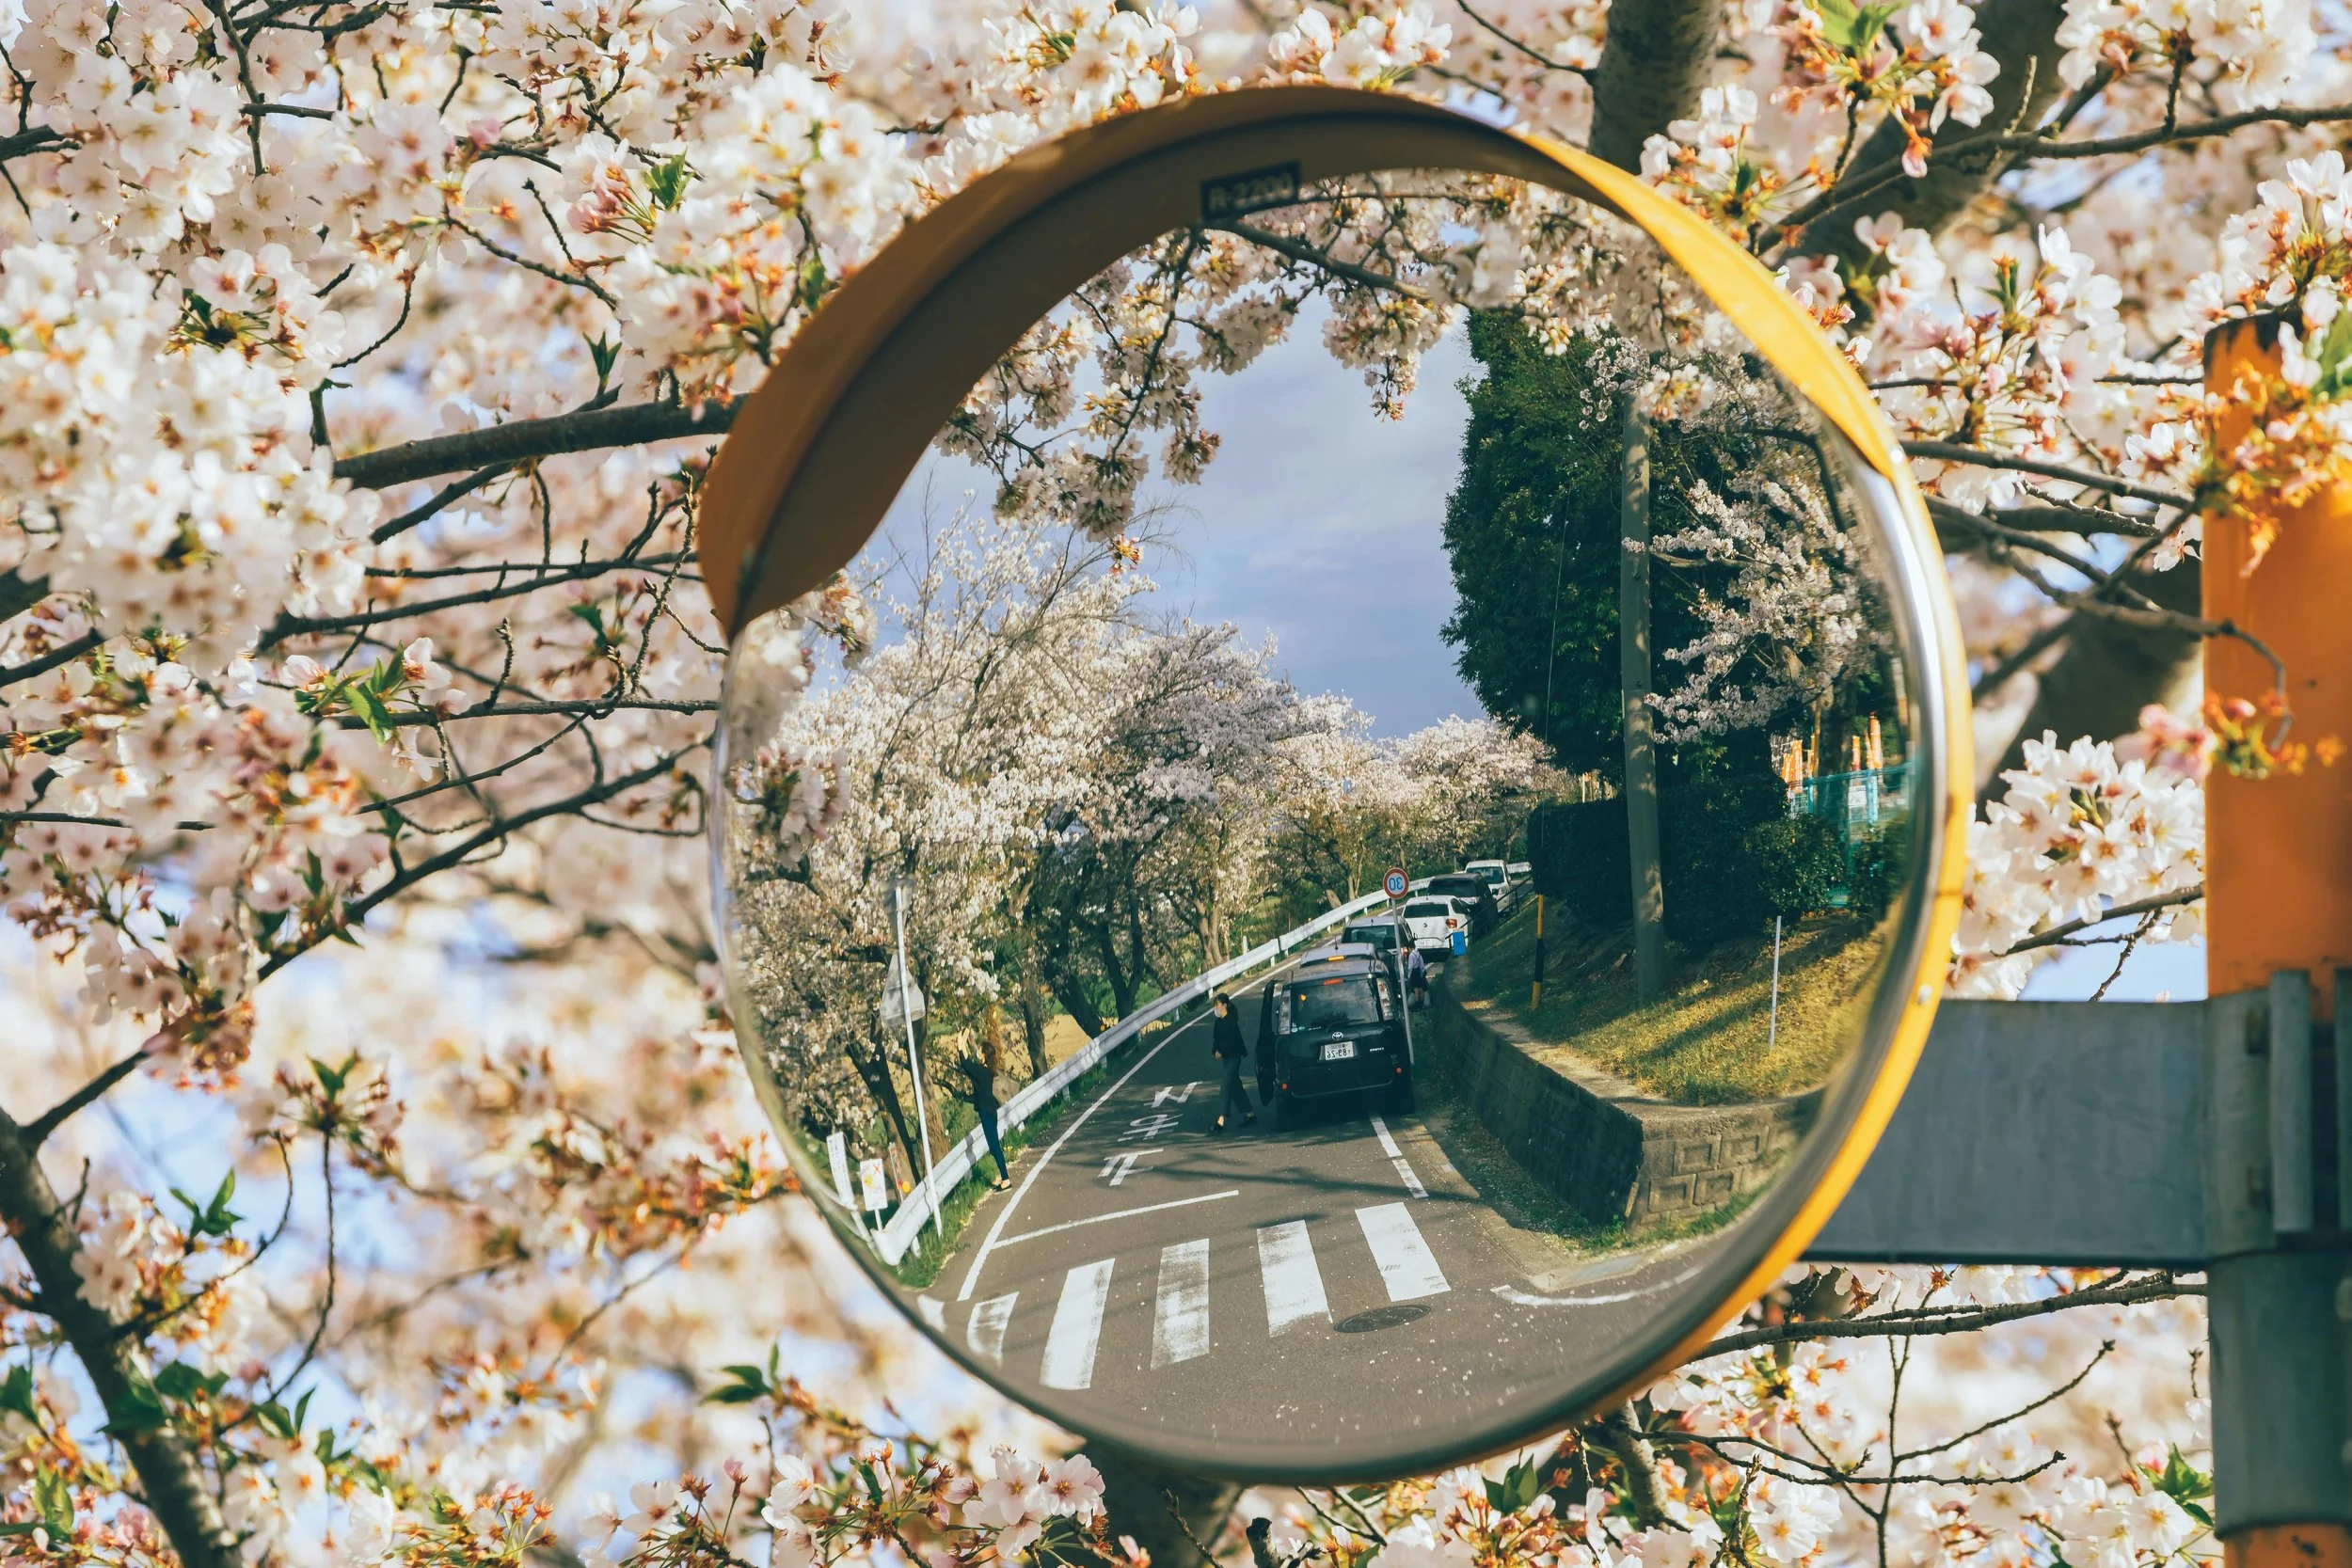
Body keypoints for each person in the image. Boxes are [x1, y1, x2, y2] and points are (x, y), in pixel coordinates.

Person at [961, 1051, 1010, 1191]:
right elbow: (969, 1066)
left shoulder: (982, 1071)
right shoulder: (985, 1071)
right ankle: (1004, 1177)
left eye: (979, 1050)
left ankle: (1006, 1180)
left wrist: (960, 1046)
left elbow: (966, 1065)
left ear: (984, 1054)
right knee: (994, 1146)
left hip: (987, 1113)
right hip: (990, 1111)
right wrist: (963, 1045)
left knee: (994, 1147)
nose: (976, 1051)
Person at [1211, 990, 1254, 1132]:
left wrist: (1221, 1051)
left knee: (1225, 1088)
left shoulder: (1231, 1021)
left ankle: (1220, 1121)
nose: (1215, 1008)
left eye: (1217, 1005)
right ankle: (1249, 1114)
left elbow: (1231, 1041)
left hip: (1234, 1058)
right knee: (1236, 1088)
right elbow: (1216, 1040)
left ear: (1224, 1005)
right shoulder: (1218, 1022)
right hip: (1225, 1059)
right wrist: (1215, 1051)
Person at [1405, 943, 1428, 1007]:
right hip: (1418, 972)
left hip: (1414, 973)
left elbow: (1410, 967)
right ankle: (1422, 1004)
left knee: (1416, 990)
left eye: (1408, 949)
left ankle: (1417, 1005)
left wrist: (1409, 975)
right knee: (1421, 989)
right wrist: (1421, 974)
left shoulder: (1411, 955)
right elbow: (1422, 966)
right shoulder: (1418, 954)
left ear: (1409, 948)